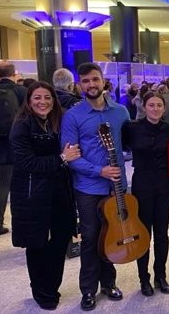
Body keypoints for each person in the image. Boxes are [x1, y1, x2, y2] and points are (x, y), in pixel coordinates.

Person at [61, 62, 130, 311]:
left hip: (117, 186)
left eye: (95, 80)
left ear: (103, 81)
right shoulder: (73, 116)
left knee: (113, 234)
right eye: (86, 81)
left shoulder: (121, 112)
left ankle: (108, 283)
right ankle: (88, 289)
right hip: (89, 187)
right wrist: (99, 170)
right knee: (91, 237)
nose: (91, 85)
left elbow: (129, 145)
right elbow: (70, 157)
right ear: (80, 85)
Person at [9, 81, 80, 310]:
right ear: (29, 101)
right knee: (37, 242)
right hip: (32, 192)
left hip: (60, 190)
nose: (43, 102)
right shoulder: (21, 125)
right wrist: (61, 158)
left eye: (47, 98)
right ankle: (41, 290)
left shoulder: (58, 121)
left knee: (60, 239)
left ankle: (52, 286)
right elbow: (27, 162)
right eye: (37, 98)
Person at [123, 92, 169, 296]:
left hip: (164, 182)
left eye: (159, 105)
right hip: (142, 182)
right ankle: (143, 278)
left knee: (162, 232)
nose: (155, 109)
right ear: (144, 107)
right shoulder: (132, 128)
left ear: (163, 108)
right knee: (143, 232)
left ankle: (160, 275)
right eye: (151, 105)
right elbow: (122, 147)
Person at [0, 61, 27, 238]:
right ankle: (22, 222)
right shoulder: (21, 91)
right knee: (23, 187)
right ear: (14, 73)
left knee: (2, 185)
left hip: (0, 146)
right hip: (21, 147)